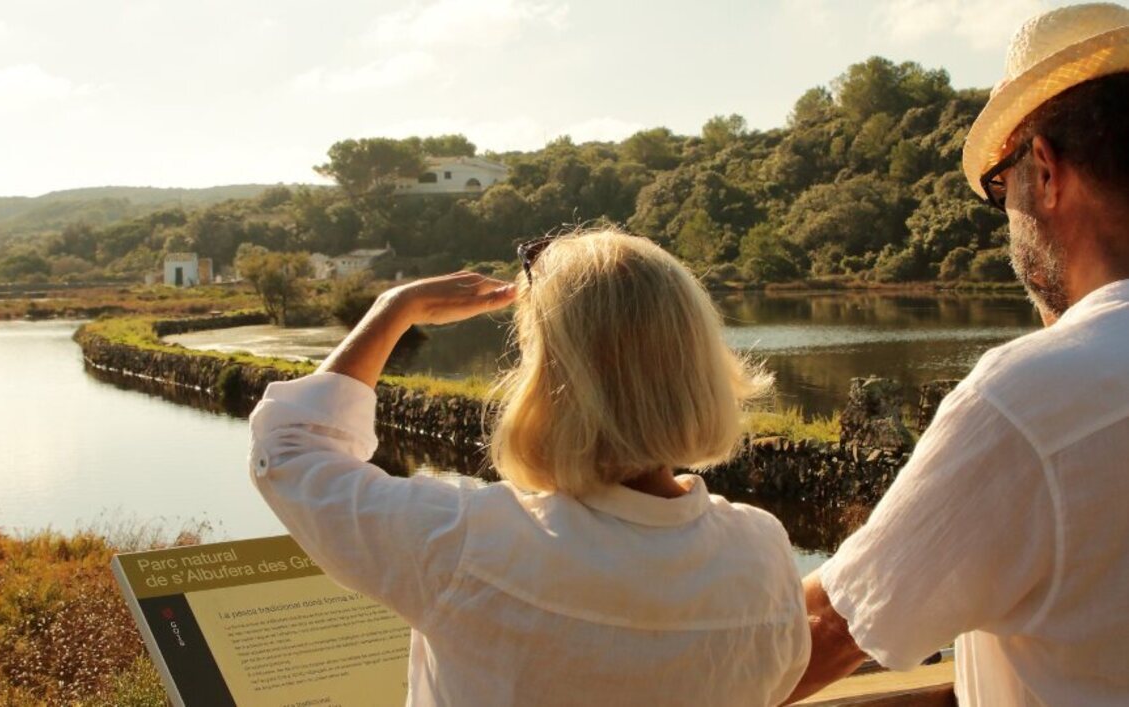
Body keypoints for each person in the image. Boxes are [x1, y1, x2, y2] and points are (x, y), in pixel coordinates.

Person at [250, 229, 810, 706]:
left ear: (549, 380)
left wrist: (394, 310)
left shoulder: (468, 542)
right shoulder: (760, 553)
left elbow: (291, 448)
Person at [788, 4, 1129, 704]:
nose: (1006, 214)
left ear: (1045, 169)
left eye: (1000, 187)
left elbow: (820, 630)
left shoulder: (1031, 401)